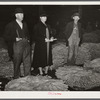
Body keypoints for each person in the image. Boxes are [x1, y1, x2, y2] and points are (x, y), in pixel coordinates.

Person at [3, 8, 31, 79]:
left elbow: (28, 34)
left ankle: (27, 76)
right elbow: (5, 36)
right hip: (17, 45)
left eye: (23, 14)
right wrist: (14, 38)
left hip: (26, 44)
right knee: (17, 61)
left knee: (27, 61)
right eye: (20, 14)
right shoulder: (10, 25)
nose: (22, 16)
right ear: (16, 15)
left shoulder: (25, 24)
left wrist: (28, 40)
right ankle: (16, 77)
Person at [31, 11, 55, 76]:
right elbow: (35, 36)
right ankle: (41, 71)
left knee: (47, 57)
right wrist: (44, 39)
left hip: (48, 45)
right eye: (43, 17)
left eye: (46, 17)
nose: (45, 18)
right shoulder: (37, 26)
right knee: (40, 57)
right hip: (40, 45)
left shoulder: (48, 26)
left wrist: (51, 37)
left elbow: (50, 33)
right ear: (40, 18)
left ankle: (46, 70)